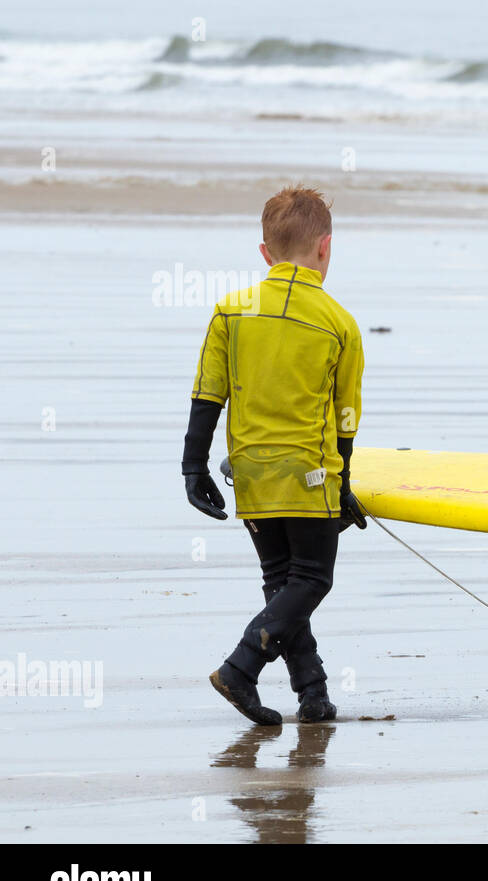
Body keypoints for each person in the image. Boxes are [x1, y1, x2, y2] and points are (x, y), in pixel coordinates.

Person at [182, 186, 367, 725]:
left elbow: (206, 394)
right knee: (312, 579)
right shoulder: (339, 322)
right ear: (325, 248)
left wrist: (193, 468)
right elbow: (345, 420)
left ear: (265, 252)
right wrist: (343, 484)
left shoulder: (229, 310)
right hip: (307, 476)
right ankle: (241, 666)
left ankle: (313, 692)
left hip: (253, 477)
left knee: (282, 582)